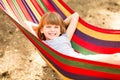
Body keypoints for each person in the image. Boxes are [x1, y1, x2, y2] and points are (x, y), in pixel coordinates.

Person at [26, 12, 120, 65]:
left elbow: (75, 16)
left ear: (60, 29)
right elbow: (26, 24)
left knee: (114, 58)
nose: (52, 30)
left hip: (79, 60)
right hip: (71, 64)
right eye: (48, 27)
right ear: (42, 30)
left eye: (55, 27)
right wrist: (41, 27)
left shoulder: (65, 37)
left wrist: (61, 26)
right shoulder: (43, 44)